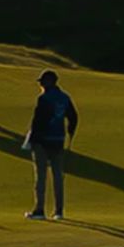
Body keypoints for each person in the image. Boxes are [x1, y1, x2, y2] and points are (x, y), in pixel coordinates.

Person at [23, 70, 79, 221]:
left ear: (50, 82)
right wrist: (70, 130)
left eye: (42, 81)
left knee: (41, 177)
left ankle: (39, 210)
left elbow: (38, 121)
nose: (40, 84)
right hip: (58, 140)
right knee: (57, 177)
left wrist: (32, 140)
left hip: (42, 141)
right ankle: (58, 211)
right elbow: (73, 117)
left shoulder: (44, 98)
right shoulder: (65, 98)